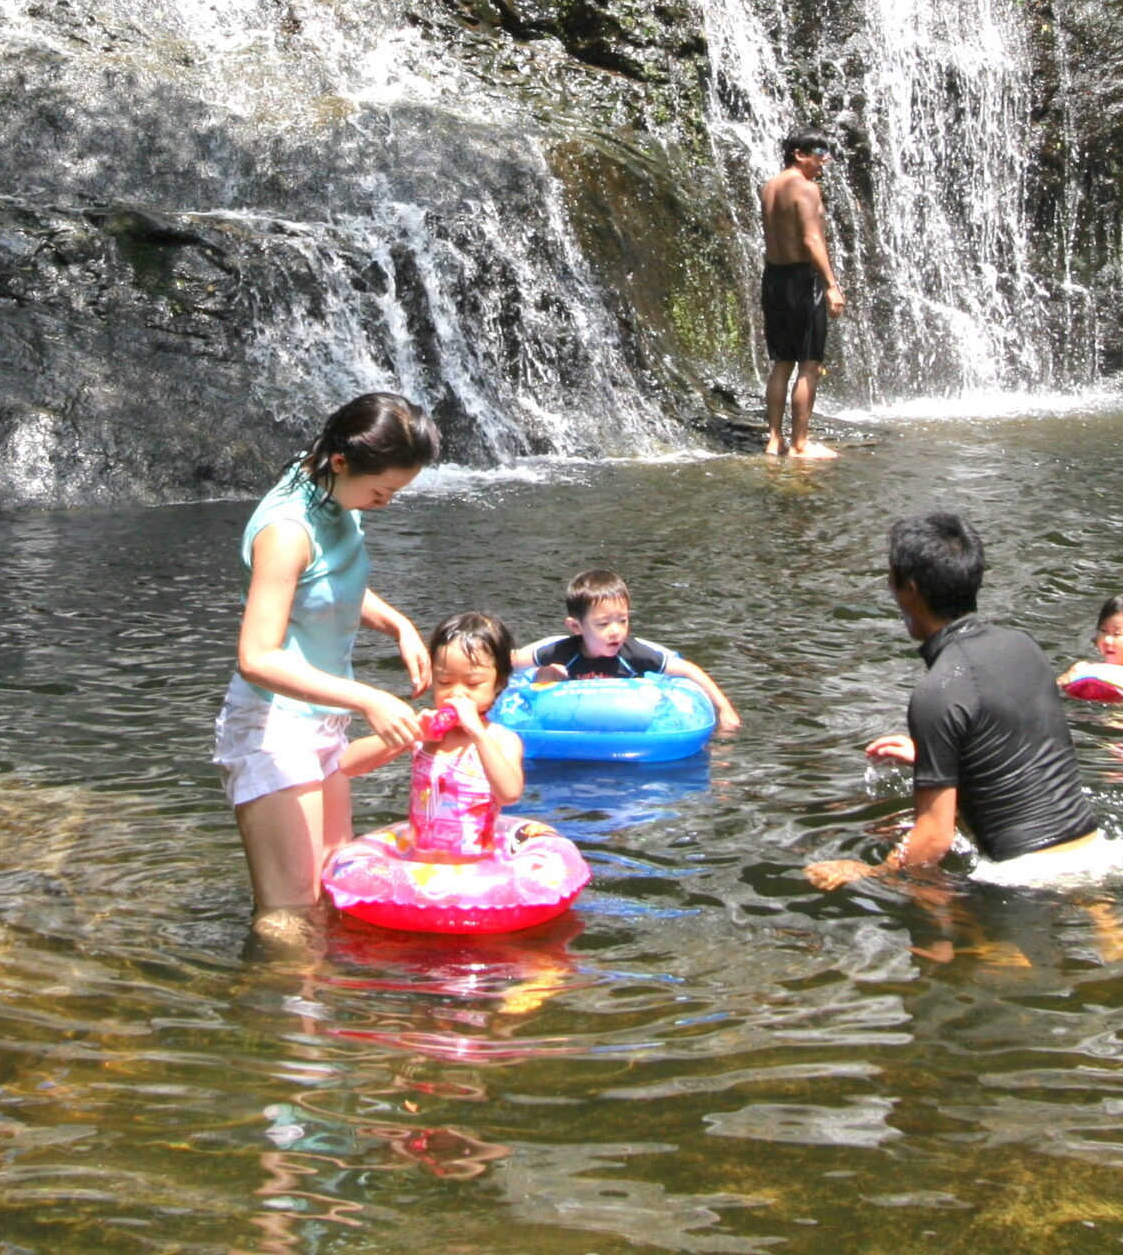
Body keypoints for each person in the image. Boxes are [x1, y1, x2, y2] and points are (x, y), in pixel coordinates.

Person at [215, 391, 442, 944]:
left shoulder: (331, 490)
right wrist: (367, 697)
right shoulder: (287, 530)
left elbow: (329, 585)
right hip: (273, 727)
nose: (385, 503)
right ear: (342, 462)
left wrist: (398, 625)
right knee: (291, 913)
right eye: (382, 490)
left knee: (333, 890)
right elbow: (256, 657)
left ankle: (321, 1015)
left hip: (322, 722)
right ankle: (285, 1023)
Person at [808, 513, 1123, 890]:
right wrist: (932, 756)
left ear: (908, 588)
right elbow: (1022, 745)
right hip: (1099, 854)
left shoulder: (937, 692)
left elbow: (934, 838)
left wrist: (867, 874)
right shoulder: (1022, 645)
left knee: (942, 932)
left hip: (1027, 877)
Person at [337, 611, 527, 856]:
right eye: (444, 682)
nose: (456, 694)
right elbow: (348, 765)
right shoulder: (425, 735)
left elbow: (509, 794)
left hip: (474, 868)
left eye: (472, 684)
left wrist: (478, 734)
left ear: (499, 682)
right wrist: (414, 733)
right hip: (421, 866)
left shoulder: (500, 740)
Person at [512, 569, 743, 732]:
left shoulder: (634, 654)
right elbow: (513, 660)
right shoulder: (564, 651)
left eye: (622, 621)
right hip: (576, 708)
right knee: (545, 674)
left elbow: (688, 670)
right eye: (603, 624)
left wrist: (725, 709)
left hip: (628, 713)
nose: (616, 632)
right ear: (576, 627)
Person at [759, 133, 847, 459]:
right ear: (799, 154)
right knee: (809, 363)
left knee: (782, 363)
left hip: (773, 278)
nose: (826, 159)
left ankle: (773, 440)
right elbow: (811, 240)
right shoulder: (807, 188)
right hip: (800, 278)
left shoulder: (769, 187)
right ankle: (800, 443)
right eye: (820, 151)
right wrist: (830, 285)